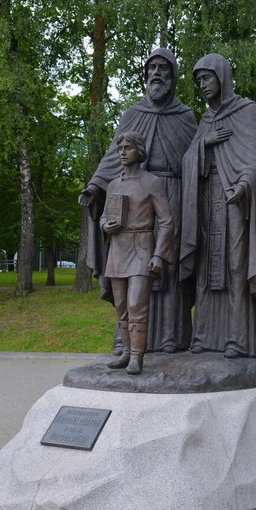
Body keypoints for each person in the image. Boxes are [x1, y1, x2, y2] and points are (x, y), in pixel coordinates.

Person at [79, 48, 197, 353]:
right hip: (133, 197)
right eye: (152, 69)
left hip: (172, 194)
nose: (157, 73)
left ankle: (172, 338)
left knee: (166, 267)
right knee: (129, 273)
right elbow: (112, 157)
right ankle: (127, 343)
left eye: (164, 69)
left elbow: (197, 161)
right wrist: (94, 187)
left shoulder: (184, 117)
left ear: (173, 77)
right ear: (145, 77)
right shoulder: (133, 114)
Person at [180, 54, 256, 358]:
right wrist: (204, 143)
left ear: (222, 77)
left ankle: (237, 338)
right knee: (205, 267)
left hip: (236, 200)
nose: (202, 85)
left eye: (206, 78)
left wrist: (244, 184)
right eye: (198, 81)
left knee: (235, 266)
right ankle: (204, 337)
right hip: (207, 200)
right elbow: (188, 161)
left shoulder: (246, 111)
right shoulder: (206, 120)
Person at [100, 132, 173, 375]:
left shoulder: (152, 182)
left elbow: (166, 221)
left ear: (139, 151)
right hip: (117, 248)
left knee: (136, 305)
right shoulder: (113, 184)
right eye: (120, 148)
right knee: (121, 306)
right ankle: (126, 352)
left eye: (128, 148)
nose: (122, 152)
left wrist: (159, 254)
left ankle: (137, 357)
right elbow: (103, 216)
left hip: (142, 248)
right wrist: (104, 225)